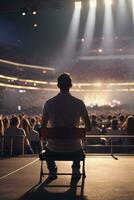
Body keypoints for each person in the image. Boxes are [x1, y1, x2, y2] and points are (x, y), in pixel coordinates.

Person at [42, 73, 91, 180]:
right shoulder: (79, 103)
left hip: (53, 149)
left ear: (58, 85)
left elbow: (43, 128)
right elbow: (89, 127)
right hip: (74, 149)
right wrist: (76, 129)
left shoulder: (49, 103)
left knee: (48, 146)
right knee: (77, 144)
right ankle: (76, 168)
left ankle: (52, 170)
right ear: (71, 85)